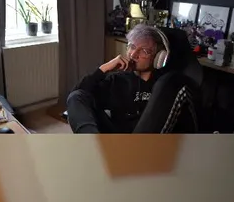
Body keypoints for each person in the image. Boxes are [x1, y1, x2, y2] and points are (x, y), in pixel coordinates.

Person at [65, 23, 196, 133]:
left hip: (146, 144)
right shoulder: (117, 80)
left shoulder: (166, 86)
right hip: (116, 141)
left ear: (158, 57)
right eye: (132, 46)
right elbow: (76, 98)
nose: (133, 54)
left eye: (144, 51)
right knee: (76, 96)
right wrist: (104, 68)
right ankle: (92, 145)